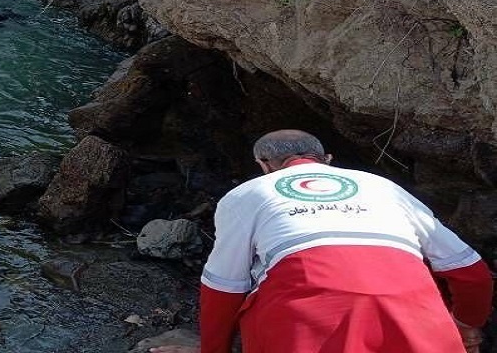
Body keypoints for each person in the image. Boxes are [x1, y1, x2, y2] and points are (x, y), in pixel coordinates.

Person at [151, 129, 493, 353]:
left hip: (308, 321)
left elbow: (224, 288)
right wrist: (466, 324)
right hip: (414, 315)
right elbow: (471, 271)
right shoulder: (384, 187)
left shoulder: (247, 194)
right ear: (327, 159)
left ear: (263, 166)